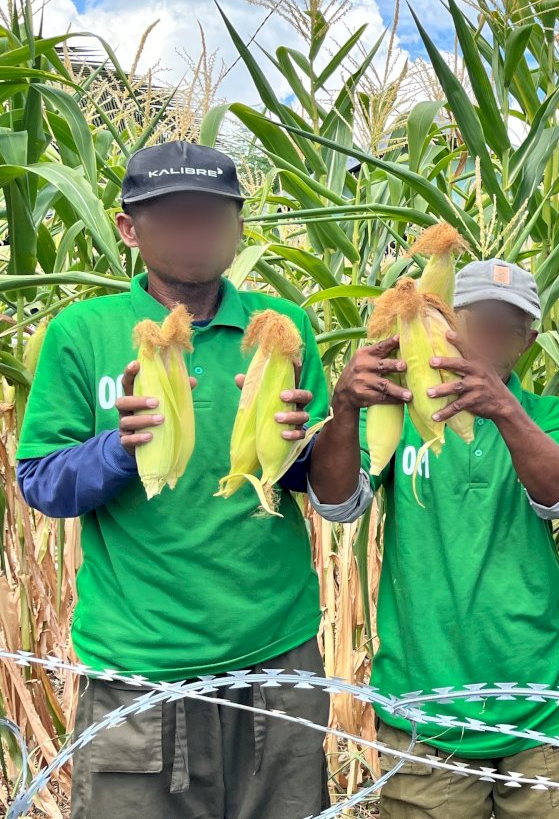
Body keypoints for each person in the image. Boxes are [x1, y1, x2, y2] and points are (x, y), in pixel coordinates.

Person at [16, 141, 332, 819]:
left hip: (276, 663)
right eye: (174, 216)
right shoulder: (84, 332)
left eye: (210, 215)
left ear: (239, 224)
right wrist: (123, 448)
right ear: (129, 228)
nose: (195, 231)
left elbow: (324, 486)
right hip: (138, 672)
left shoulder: (282, 331)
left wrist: (298, 444)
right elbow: (41, 481)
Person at [308, 259, 559, 819]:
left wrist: (504, 409)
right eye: (475, 321)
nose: (487, 338)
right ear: (442, 322)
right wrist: (343, 409)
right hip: (426, 710)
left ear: (528, 341)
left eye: (505, 328)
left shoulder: (548, 416)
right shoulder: (399, 415)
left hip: (539, 711)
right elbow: (339, 503)